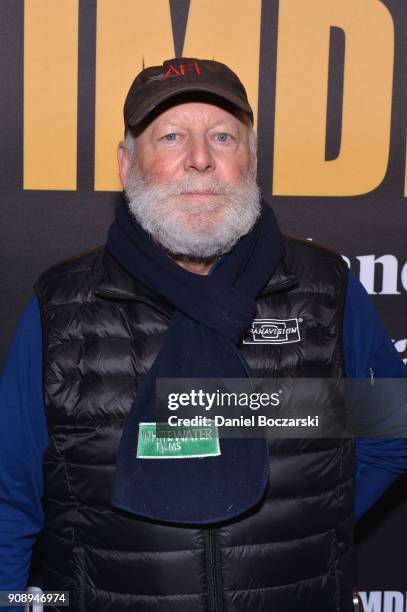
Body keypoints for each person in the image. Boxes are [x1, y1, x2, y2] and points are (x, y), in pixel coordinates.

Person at [1, 57, 407, 612]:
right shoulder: (63, 303)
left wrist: (317, 534)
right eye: (170, 136)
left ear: (252, 160)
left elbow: (392, 432)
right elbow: (10, 498)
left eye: (223, 136)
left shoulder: (323, 288)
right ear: (126, 164)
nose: (199, 159)